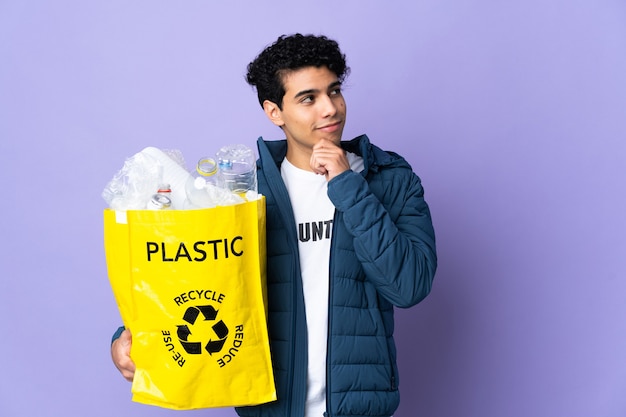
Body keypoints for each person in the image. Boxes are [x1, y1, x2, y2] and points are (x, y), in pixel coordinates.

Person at [111, 33, 437, 417]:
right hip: (271, 406)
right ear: (274, 112)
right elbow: (188, 281)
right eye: (308, 98)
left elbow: (410, 286)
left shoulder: (389, 179)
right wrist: (125, 339)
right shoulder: (243, 193)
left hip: (361, 407)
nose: (329, 109)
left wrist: (348, 185)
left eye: (334, 91)